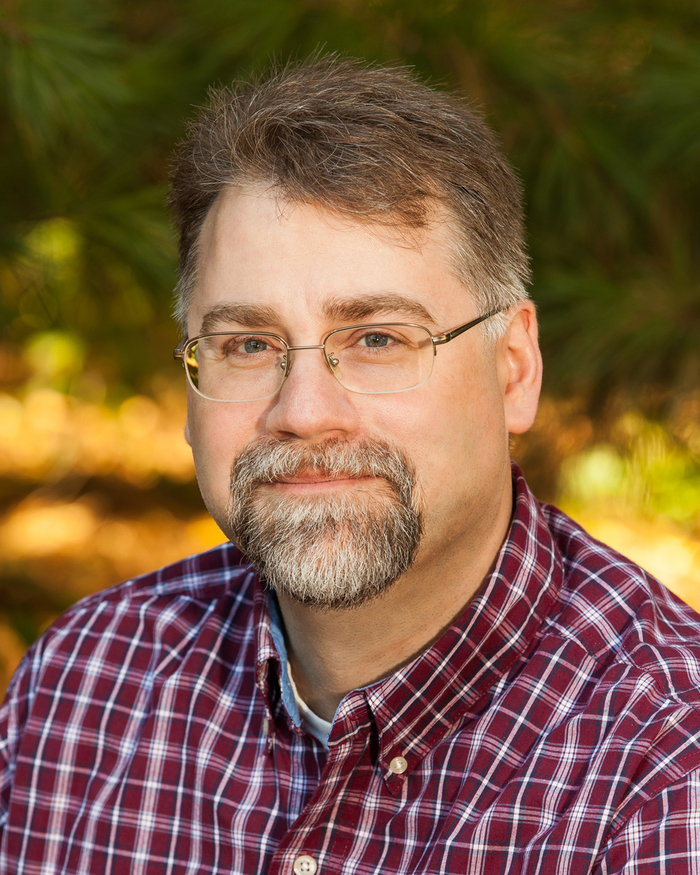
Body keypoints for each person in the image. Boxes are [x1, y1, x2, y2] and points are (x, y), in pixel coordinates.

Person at [2, 55, 700, 875]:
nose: (303, 411)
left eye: (377, 338)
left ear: (513, 368)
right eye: (248, 344)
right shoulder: (80, 689)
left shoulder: (666, 774)